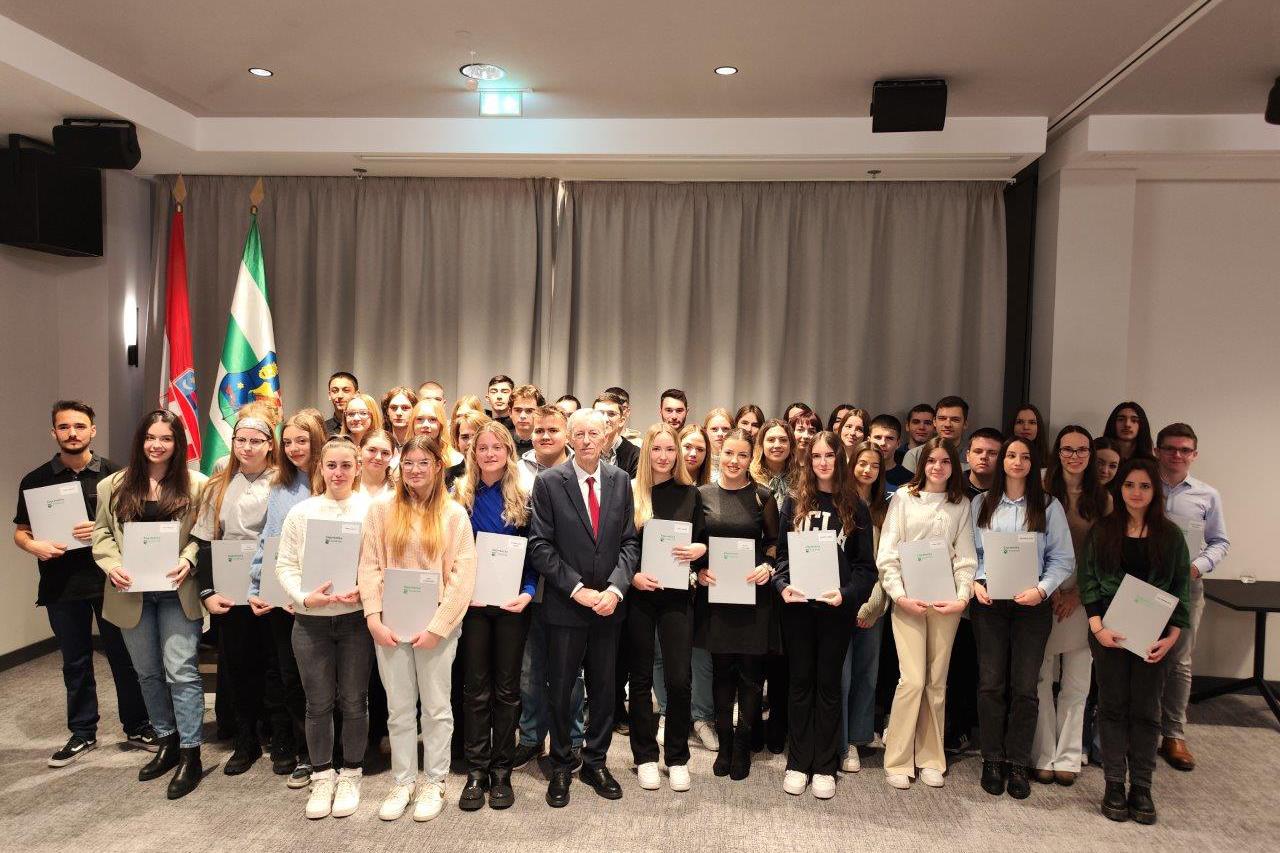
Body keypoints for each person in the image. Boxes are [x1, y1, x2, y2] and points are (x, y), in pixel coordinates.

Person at [14, 400, 152, 767]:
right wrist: (32, 545)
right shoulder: (35, 480)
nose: (72, 433)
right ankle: (82, 732)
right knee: (75, 662)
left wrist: (102, 529)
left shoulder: (117, 475)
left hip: (111, 580)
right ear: (54, 433)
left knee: (124, 658)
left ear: (92, 430)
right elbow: (21, 531)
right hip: (61, 585)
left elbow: (138, 526)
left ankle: (137, 725)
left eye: (79, 426)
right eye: (64, 427)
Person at [358, 435, 477, 822]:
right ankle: (403, 781)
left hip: (436, 630)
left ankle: (435, 781)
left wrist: (439, 627)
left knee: (437, 709)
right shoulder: (380, 510)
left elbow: (462, 576)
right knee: (398, 709)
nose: (414, 470)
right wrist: (373, 617)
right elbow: (369, 566)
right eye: (407, 463)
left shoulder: (454, 515)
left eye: (423, 462)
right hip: (390, 628)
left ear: (438, 466)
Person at [91, 410, 208, 799]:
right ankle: (166, 740)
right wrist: (112, 564)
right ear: (140, 441)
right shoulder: (112, 485)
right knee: (146, 673)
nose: (157, 445)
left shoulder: (198, 485)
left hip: (178, 590)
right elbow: (102, 534)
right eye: (150, 437)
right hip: (131, 592)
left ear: (178, 444)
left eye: (166, 438)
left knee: (182, 671)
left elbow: (204, 534)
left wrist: (189, 558)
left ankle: (191, 753)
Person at [528, 409, 640, 807]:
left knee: (605, 689)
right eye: (580, 434)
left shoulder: (620, 480)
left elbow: (629, 542)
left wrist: (616, 589)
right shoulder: (549, 482)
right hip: (566, 606)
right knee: (561, 689)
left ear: (606, 436)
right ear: (570, 439)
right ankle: (561, 764)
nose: (588, 440)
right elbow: (540, 545)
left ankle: (595, 762)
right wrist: (576, 589)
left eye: (595, 433)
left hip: (609, 607)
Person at [1080, 457, 1190, 825]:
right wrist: (1098, 628)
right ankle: (1114, 783)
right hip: (1109, 633)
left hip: (1154, 639)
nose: (1136, 492)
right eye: (1129, 485)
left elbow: (1181, 589)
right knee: (1112, 707)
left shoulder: (1171, 536)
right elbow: (1089, 581)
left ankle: (1141, 786)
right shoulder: (1103, 530)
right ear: (1120, 488)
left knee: (1146, 710)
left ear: (1155, 490)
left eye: (1144, 486)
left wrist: (1172, 637)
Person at [970, 437, 1074, 799]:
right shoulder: (981, 503)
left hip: (1032, 604)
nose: (1017, 461)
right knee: (990, 683)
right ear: (1002, 461)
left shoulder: (1048, 505)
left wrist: (1043, 590)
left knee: (1025, 687)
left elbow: (1062, 558)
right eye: (1011, 455)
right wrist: (975, 581)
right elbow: (969, 552)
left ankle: (1017, 761)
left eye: (1025, 457)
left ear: (1033, 464)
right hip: (990, 602)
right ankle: (991, 758)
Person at [775, 432, 877, 799]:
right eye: (816, 455)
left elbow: (866, 568)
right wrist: (782, 585)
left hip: (835, 610)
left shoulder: (855, 506)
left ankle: (824, 765)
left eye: (829, 455)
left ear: (839, 459)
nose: (822, 462)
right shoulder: (794, 501)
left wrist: (846, 595)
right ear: (808, 460)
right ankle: (798, 762)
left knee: (829, 686)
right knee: (800, 684)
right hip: (799, 609)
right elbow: (782, 557)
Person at [275, 437, 372, 820]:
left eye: (346, 465)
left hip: (355, 620)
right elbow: (285, 565)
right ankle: (322, 775)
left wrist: (365, 589)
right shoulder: (301, 512)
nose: (338, 472)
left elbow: (380, 562)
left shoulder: (371, 510)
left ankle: (351, 774)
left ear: (358, 468)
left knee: (354, 700)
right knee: (317, 703)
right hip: (310, 621)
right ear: (321, 468)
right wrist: (303, 597)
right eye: (331, 465)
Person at [876, 436, 977, 790]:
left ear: (954, 466)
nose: (938, 467)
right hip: (908, 601)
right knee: (913, 681)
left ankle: (931, 757)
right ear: (922, 464)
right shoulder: (904, 498)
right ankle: (898, 758)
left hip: (945, 604)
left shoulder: (961, 504)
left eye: (945, 461)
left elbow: (966, 558)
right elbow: (888, 553)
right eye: (932, 460)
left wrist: (962, 598)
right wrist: (900, 596)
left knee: (936, 683)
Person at [452, 423, 538, 811]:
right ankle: (477, 770)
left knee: (507, 691)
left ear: (508, 451)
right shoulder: (459, 495)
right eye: (482, 447)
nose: (489, 453)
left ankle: (502, 770)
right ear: (473, 453)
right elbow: (450, 555)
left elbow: (534, 554)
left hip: (511, 607)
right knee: (475, 690)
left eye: (496, 447)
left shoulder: (523, 496)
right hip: (471, 607)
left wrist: (528, 592)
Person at [193, 413, 279, 777]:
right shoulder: (218, 484)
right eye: (241, 440)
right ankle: (245, 741)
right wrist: (207, 592)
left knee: (273, 663)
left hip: (272, 583)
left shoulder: (283, 481)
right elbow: (204, 541)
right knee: (238, 665)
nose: (247, 447)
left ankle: (276, 734)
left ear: (270, 445)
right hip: (230, 585)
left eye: (256, 441)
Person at [695, 429, 780, 781]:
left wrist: (768, 566)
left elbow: (774, 542)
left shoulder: (763, 496)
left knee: (750, 675)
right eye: (729, 453)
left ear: (751, 458)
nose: (734, 461)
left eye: (742, 455)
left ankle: (743, 744)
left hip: (752, 596)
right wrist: (699, 571)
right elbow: (696, 543)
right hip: (717, 596)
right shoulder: (702, 495)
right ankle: (725, 744)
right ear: (720, 452)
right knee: (721, 673)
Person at [247, 410, 326, 788]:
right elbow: (268, 540)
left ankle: (327, 748)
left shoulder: (332, 478)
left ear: (317, 441)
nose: (294, 448)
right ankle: (304, 750)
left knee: (322, 679)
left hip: (325, 595)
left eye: (302, 441)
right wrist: (256, 586)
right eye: (288, 442)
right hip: (282, 593)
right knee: (289, 675)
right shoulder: (279, 485)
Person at [626, 424, 706, 792]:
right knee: (640, 679)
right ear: (647, 452)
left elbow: (703, 542)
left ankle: (676, 757)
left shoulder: (691, 494)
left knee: (678, 679)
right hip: (640, 595)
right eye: (656, 449)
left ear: (678, 454)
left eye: (670, 450)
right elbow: (617, 545)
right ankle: (644, 756)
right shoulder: (631, 492)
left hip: (676, 596)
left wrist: (700, 550)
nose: (663, 456)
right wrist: (632, 577)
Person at [1033, 425, 1111, 787]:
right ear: (1057, 452)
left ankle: (1067, 756)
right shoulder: (1040, 488)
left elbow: (1108, 554)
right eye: (1067, 449)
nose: (1074, 456)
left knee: (1078, 680)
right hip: (1043, 590)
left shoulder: (1104, 499)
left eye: (1082, 450)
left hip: (1086, 593)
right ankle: (1043, 754)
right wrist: (1049, 588)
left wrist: (1078, 593)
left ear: (1091, 454)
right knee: (1041, 677)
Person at [512, 404, 585, 770]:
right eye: (539, 430)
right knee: (529, 670)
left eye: (553, 430)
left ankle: (571, 739)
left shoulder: (581, 471)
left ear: (566, 434)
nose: (544, 436)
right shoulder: (516, 470)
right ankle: (530, 737)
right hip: (526, 584)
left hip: (568, 585)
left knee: (569, 673)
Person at [1154, 423, 1229, 773]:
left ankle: (1174, 734)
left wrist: (1196, 567)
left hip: (1187, 585)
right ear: (1157, 451)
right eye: (1170, 448)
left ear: (1194, 455)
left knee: (1179, 661)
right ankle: (1142, 728)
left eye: (1185, 450)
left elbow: (1220, 542)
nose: (1177, 455)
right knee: (1137, 655)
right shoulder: (1141, 485)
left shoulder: (1207, 495)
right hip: (1143, 585)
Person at [945, 426, 1003, 755]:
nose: (984, 458)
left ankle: (983, 730)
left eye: (992, 453)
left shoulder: (1008, 492)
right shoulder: (955, 487)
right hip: (955, 588)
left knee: (989, 667)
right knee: (960, 662)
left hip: (998, 591)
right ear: (967, 454)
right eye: (978, 451)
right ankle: (958, 729)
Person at [841, 440, 890, 773]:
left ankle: (858, 737)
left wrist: (874, 603)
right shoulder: (841, 504)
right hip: (843, 600)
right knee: (841, 675)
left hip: (876, 603)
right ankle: (841, 740)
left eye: (874, 465)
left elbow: (888, 560)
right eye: (862, 463)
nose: (867, 470)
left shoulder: (888, 508)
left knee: (866, 673)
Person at [902, 396, 968, 473]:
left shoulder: (974, 456)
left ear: (965, 424)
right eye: (942, 418)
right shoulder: (915, 456)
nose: (947, 424)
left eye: (955, 420)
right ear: (934, 422)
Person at [749, 418, 794, 507]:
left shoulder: (801, 478)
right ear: (761, 444)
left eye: (783, 440)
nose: (777, 445)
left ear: (791, 444)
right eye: (771, 440)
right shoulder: (749, 478)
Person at [594, 392, 639, 477]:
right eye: (599, 413)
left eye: (611, 414)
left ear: (621, 421)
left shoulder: (636, 455)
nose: (605, 419)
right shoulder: (583, 450)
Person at [868, 413, 911, 490]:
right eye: (878, 437)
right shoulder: (857, 474)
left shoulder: (909, 479)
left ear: (898, 444)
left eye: (889, 438)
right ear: (868, 441)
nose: (883, 443)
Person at [450, 410, 489, 486]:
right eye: (465, 437)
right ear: (457, 441)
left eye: (477, 436)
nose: (470, 442)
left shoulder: (503, 474)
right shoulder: (448, 476)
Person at [357, 430, 396, 503]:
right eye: (372, 450)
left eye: (385, 453)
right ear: (359, 451)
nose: (378, 457)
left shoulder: (399, 491)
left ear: (392, 456)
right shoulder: (345, 486)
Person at [381, 387, 419, 460]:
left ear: (414, 410)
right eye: (393, 408)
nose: (398, 413)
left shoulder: (421, 444)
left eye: (405, 408)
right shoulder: (379, 442)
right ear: (387, 411)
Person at [510, 384, 544, 457]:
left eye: (529, 411)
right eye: (518, 410)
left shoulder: (547, 442)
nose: (523, 416)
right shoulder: (501, 441)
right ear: (510, 412)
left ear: (540, 413)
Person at [703, 408, 734, 483]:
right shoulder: (699, 460)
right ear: (705, 431)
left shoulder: (738, 462)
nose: (720, 434)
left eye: (725, 429)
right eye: (714, 429)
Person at [324, 372, 358, 437]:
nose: (340, 395)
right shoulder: (322, 430)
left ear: (356, 394)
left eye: (346, 390)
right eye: (335, 391)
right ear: (329, 395)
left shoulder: (365, 428)